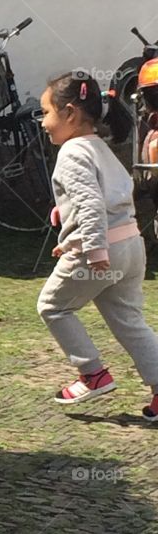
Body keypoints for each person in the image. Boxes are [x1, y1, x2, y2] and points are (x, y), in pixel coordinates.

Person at [37, 70, 158, 416]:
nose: (43, 122)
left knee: (53, 307)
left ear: (70, 113)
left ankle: (93, 374)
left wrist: (92, 248)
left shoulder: (72, 152)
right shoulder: (100, 148)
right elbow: (109, 198)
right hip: (131, 246)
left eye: (46, 112)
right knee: (130, 321)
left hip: (101, 252)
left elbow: (90, 204)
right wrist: (71, 229)